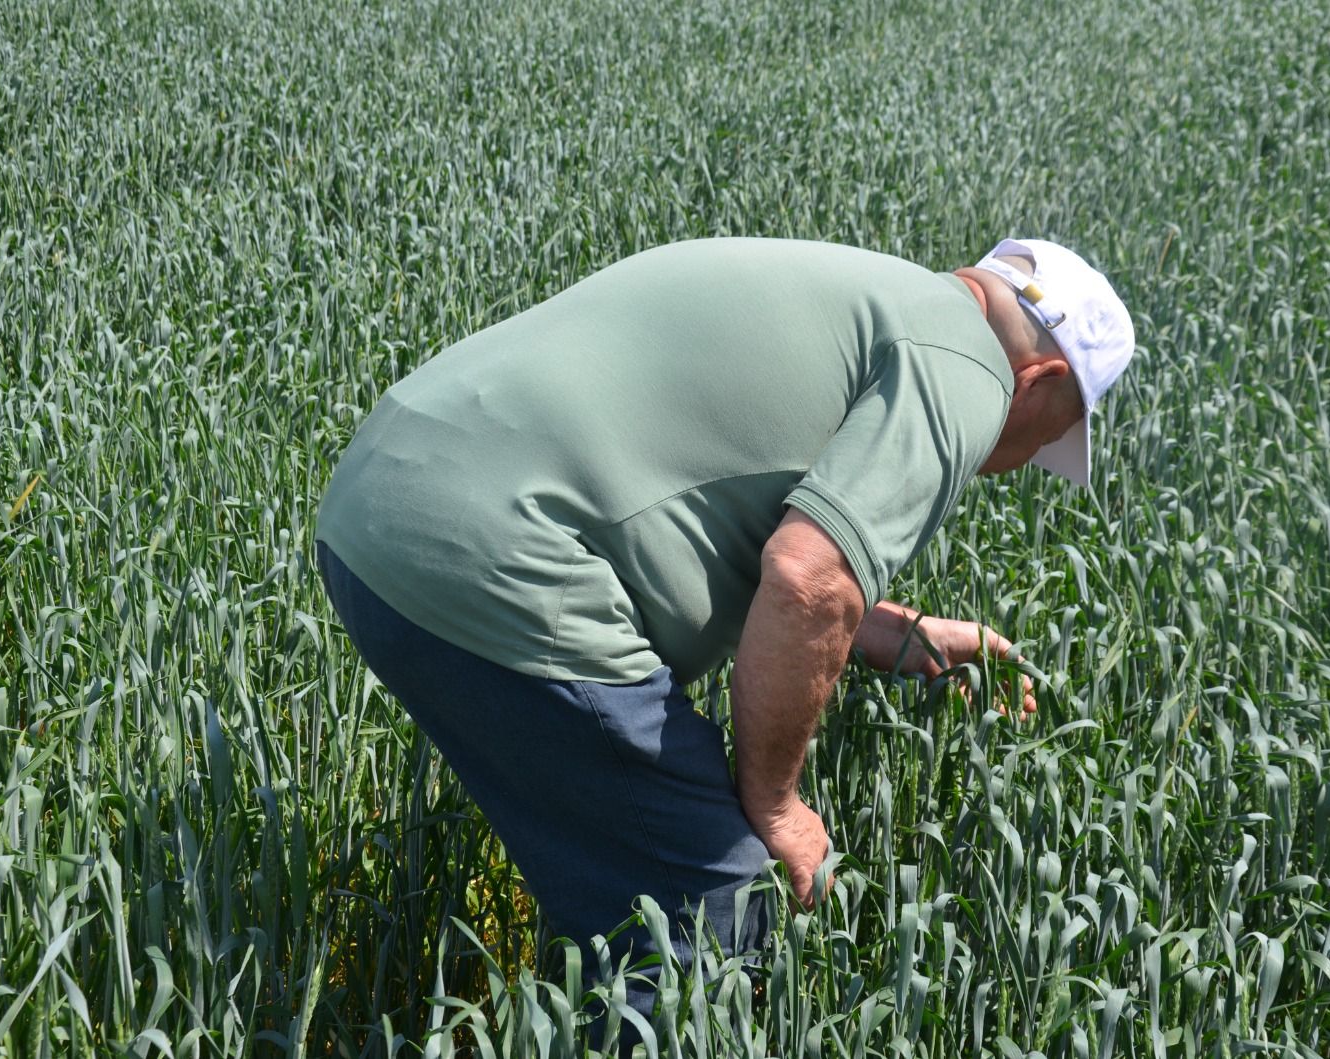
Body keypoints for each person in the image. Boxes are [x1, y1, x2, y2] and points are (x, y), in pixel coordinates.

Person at [312, 235, 1134, 1030]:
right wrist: (773, 804)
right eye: (1051, 436)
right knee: (708, 915)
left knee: (626, 883)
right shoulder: (969, 368)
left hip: (377, 513)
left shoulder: (867, 291)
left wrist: (881, 627)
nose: (1028, 456)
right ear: (1039, 381)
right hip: (500, 556)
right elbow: (809, 578)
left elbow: (722, 486)